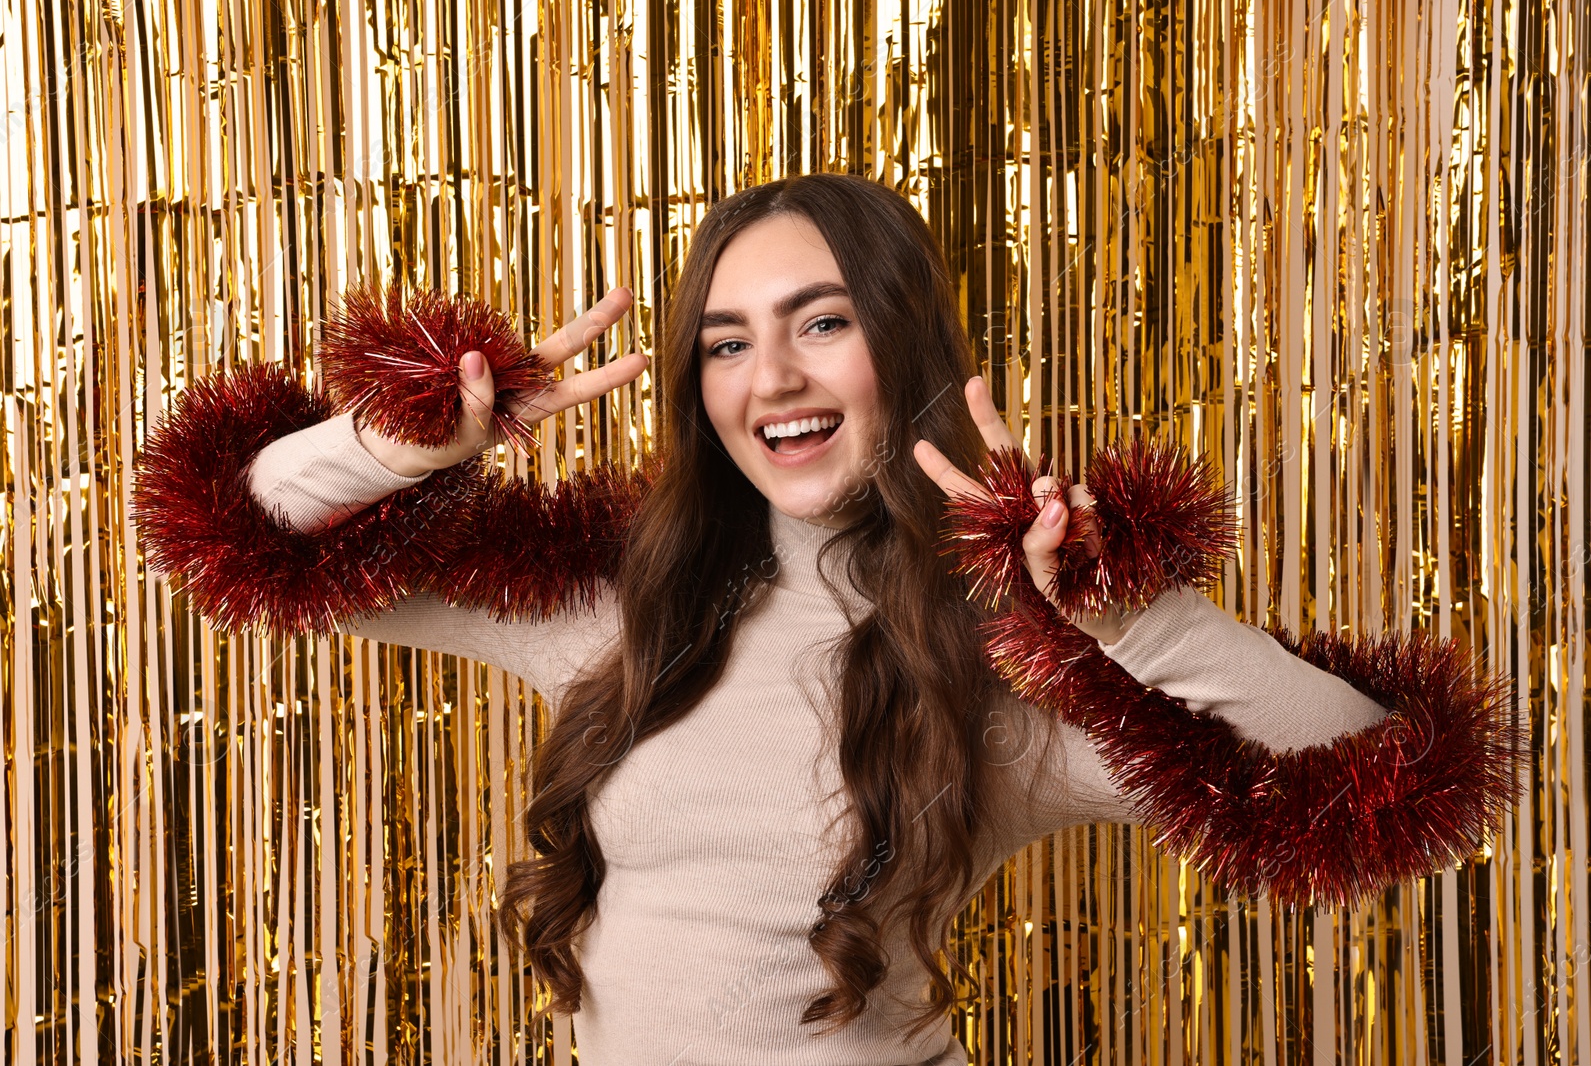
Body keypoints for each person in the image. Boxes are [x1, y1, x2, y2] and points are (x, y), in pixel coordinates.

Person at [135, 174, 1515, 1065]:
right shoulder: (615, 586)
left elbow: (1373, 790)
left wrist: (1118, 608)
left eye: (822, 323)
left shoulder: (1002, 651)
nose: (771, 376)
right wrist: (411, 443)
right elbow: (241, 541)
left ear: (906, 346)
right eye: (727, 340)